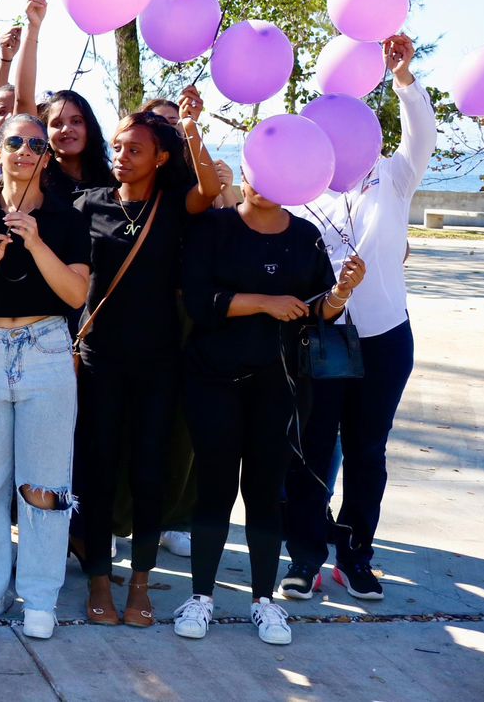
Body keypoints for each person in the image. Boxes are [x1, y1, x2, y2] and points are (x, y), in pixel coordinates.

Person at [173, 179, 366, 646]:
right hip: (212, 380)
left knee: (263, 493)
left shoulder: (304, 236)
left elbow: (317, 309)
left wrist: (342, 291)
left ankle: (264, 601)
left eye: (278, 174)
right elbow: (199, 302)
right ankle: (201, 598)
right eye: (255, 172)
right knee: (215, 488)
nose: (263, 184)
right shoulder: (213, 227)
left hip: (280, 386)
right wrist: (263, 302)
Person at [282, 34, 435, 602]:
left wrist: (403, 78)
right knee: (314, 452)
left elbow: (422, 135)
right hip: (325, 338)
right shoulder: (302, 192)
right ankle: (304, 559)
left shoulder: (393, 177)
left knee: (368, 453)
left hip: (387, 339)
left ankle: (356, 556)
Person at [71, 94, 222, 629]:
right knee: (98, 467)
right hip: (98, 360)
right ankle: (96, 578)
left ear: (160, 156)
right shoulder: (90, 204)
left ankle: (139, 582)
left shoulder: (176, 203)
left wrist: (196, 129)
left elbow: (211, 189)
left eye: (135, 149)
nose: (122, 156)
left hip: (159, 362)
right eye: (117, 147)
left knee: (149, 468)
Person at [0, 113, 90, 638]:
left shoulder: (67, 219)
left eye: (36, 143)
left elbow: (76, 295)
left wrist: (35, 243)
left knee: (45, 485)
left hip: (47, 350)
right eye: (15, 141)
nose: (25, 150)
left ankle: (40, 596)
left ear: (47, 156)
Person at [11, 0, 112, 195]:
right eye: (57, 124)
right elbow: (23, 101)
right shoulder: (38, 178)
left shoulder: (111, 181)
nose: (66, 129)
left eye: (76, 121)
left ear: (90, 126)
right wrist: (33, 28)